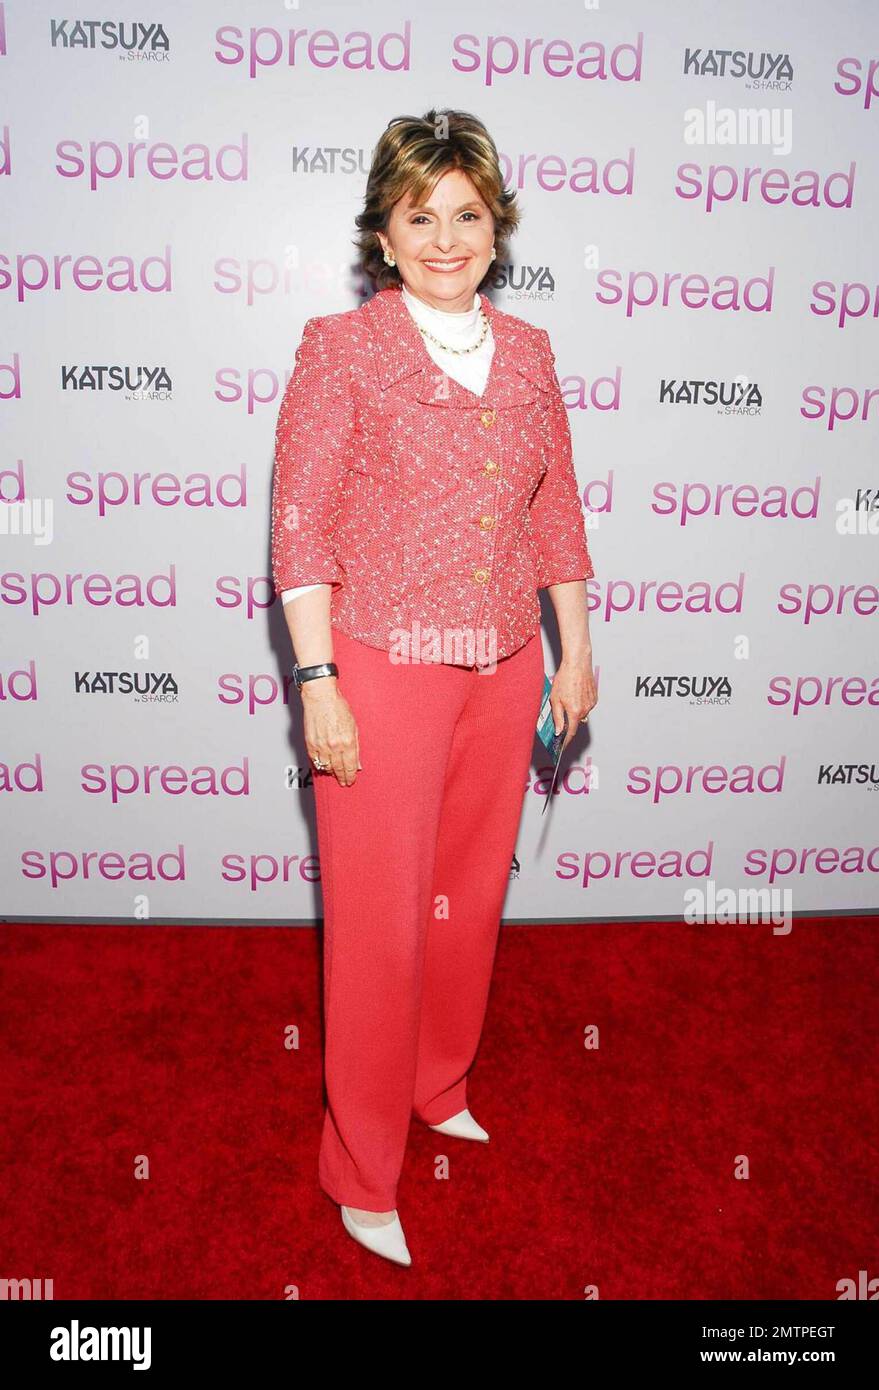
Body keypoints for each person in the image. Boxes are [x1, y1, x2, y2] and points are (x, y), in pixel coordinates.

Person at [270, 108, 598, 1267]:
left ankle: (437, 1079)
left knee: (466, 899)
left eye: (467, 215)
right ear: (385, 228)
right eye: (422, 217)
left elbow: (554, 509)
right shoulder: (341, 349)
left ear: (496, 227)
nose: (446, 239)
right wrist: (318, 684)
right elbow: (301, 528)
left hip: (507, 669)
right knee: (378, 929)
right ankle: (361, 1166)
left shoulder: (532, 355)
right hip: (383, 668)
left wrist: (578, 648)